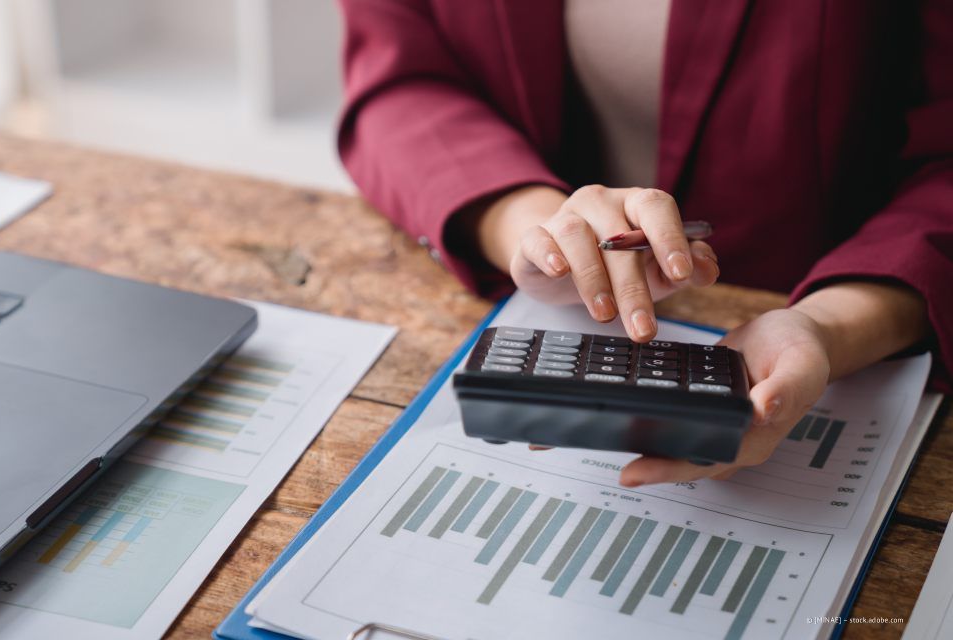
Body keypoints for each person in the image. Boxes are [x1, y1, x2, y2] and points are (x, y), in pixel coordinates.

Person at [336, 1, 952, 487]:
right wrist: (538, 225)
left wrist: (827, 326)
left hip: (830, 296)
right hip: (543, 280)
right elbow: (402, 78)